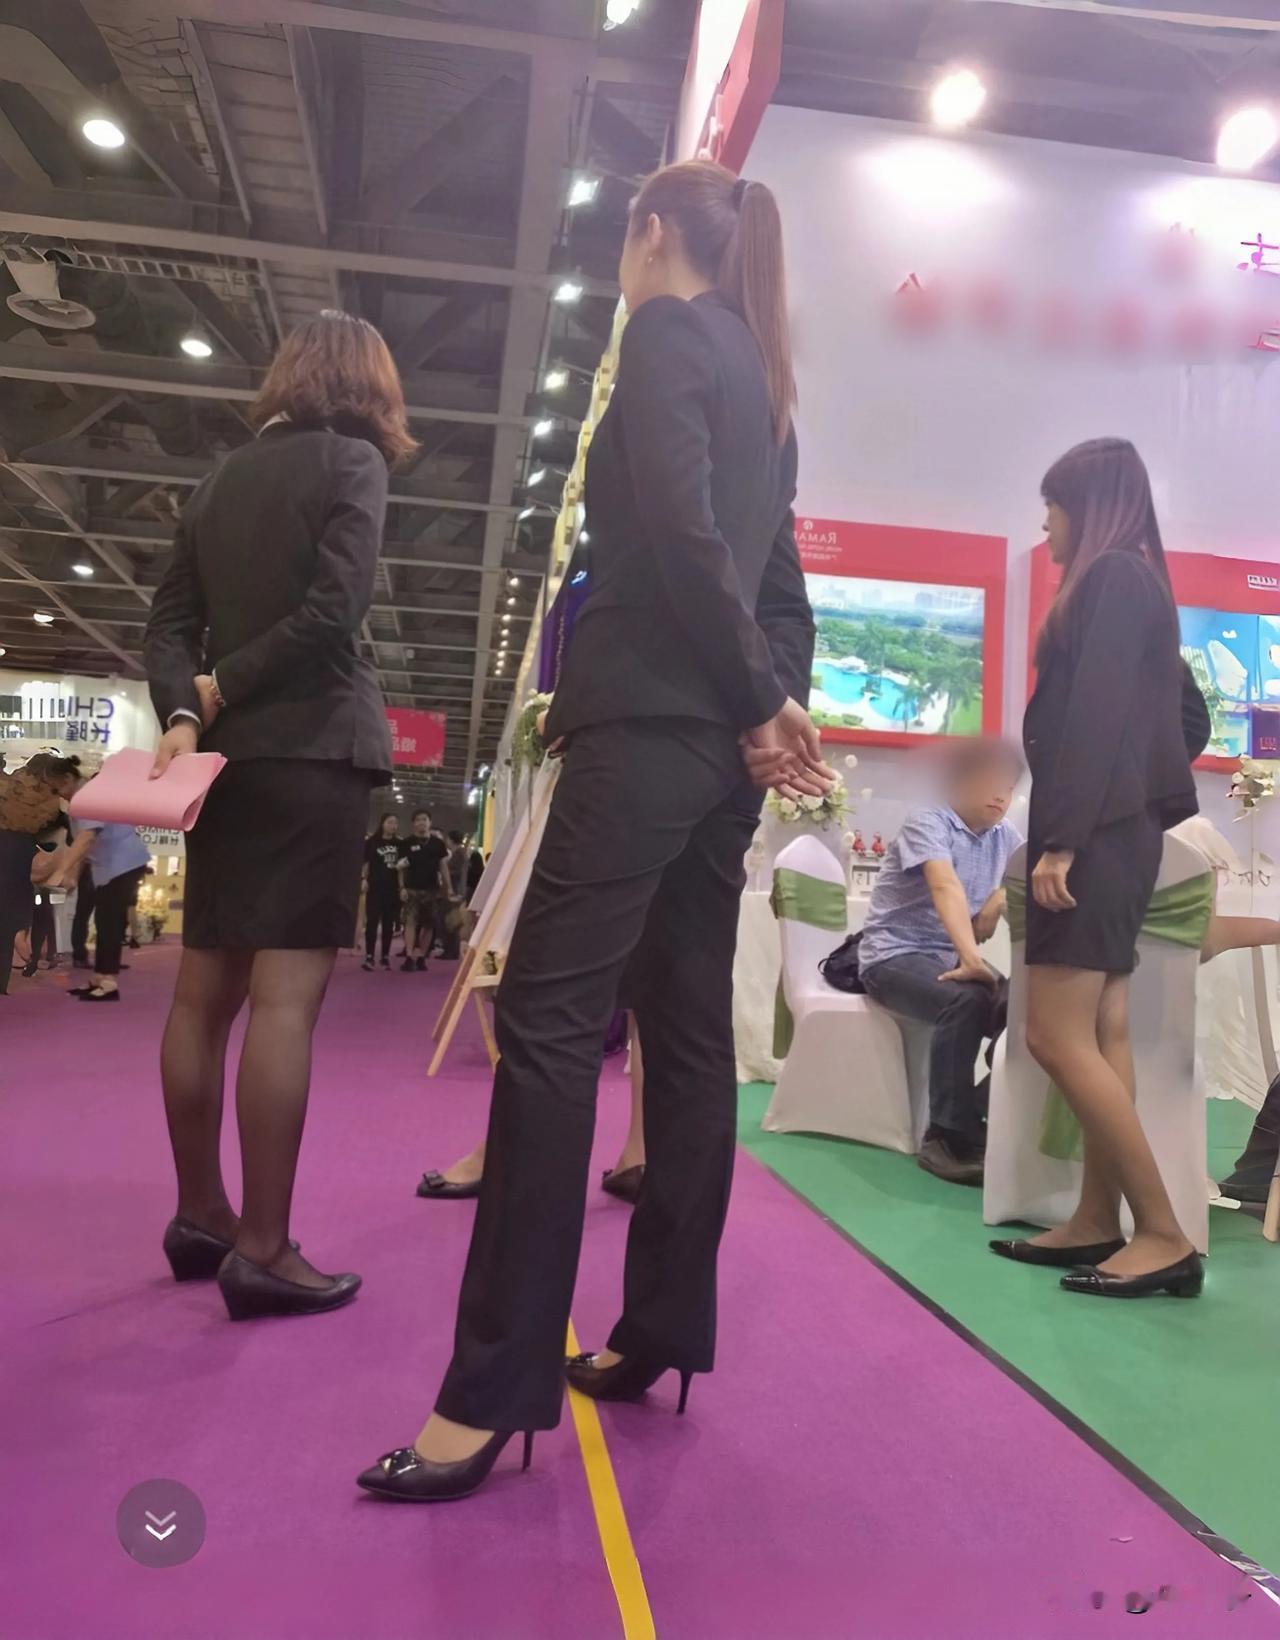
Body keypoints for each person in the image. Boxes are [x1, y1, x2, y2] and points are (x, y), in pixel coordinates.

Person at [359, 158, 827, 1503]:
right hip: (713, 759)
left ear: (651, 232)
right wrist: (764, 711)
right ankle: (661, 1327)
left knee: (551, 1028)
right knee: (683, 1039)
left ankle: (489, 1389)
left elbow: (677, 537)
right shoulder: (767, 386)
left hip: (643, 733)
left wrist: (758, 703)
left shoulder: (670, 333)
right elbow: (778, 590)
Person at [144, 308, 414, 1322]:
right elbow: (335, 612)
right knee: (285, 1002)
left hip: (224, 767)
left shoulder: (218, 478)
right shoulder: (353, 463)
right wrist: (220, 688)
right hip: (313, 753)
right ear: (368, 384)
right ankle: (262, 1247)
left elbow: (167, 623)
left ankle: (199, 1213)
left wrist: (189, 707)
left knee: (201, 995)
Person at [990, 438, 1202, 1298]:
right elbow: (1180, 720)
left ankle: (1163, 1233)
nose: (1045, 523)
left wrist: (1068, 836)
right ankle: (1095, 1218)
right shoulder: (1137, 582)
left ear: (1088, 504)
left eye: (1053, 504)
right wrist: (1144, 793)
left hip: (1096, 839)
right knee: (1102, 1028)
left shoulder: (1113, 578)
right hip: (1118, 833)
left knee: (1055, 1033)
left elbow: (1100, 715)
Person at [859, 739, 1024, 1186]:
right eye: (990, 782)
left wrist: (999, 897)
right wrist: (971, 957)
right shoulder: (929, 821)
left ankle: (980, 1114)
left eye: (1008, 787)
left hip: (945, 959)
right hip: (892, 956)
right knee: (965, 1000)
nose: (1001, 795)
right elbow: (944, 885)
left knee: (1029, 1006)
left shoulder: (1005, 837)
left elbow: (1027, 877)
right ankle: (945, 1139)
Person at [0, 753, 84, 997]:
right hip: (20, 861)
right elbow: (53, 842)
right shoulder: (49, 801)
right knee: (10, 924)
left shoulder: (8, 787)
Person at [67, 823, 150, 1002]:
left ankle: (109, 982)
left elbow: (86, 837)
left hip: (123, 864)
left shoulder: (88, 806)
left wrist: (61, 870)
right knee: (103, 919)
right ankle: (99, 977)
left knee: (110, 920)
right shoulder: (76, 811)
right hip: (110, 866)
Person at [398, 809, 445, 972]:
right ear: (413, 824)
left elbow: (443, 867)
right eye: (418, 820)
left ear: (430, 822)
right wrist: (401, 887)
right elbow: (401, 868)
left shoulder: (438, 844)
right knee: (409, 923)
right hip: (411, 889)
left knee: (429, 924)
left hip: (432, 890)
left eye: (424, 819)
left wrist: (448, 888)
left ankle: (421, 957)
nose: (421, 822)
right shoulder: (406, 843)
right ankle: (409, 956)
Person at [362, 813, 401, 972]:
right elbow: (365, 862)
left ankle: (385, 956)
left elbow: (404, 865)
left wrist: (402, 886)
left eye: (395, 823)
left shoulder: (400, 843)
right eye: (390, 822)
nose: (393, 826)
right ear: (382, 823)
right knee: (372, 922)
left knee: (388, 924)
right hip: (375, 886)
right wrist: (364, 879)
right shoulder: (372, 842)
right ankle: (369, 955)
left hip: (393, 888)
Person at [439, 829, 469, 960]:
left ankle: (451, 950)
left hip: (454, 890)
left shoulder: (459, 854)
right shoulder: (459, 853)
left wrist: (444, 870)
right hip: (454, 890)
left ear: (451, 840)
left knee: (451, 921)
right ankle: (449, 949)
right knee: (449, 920)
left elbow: (456, 872)